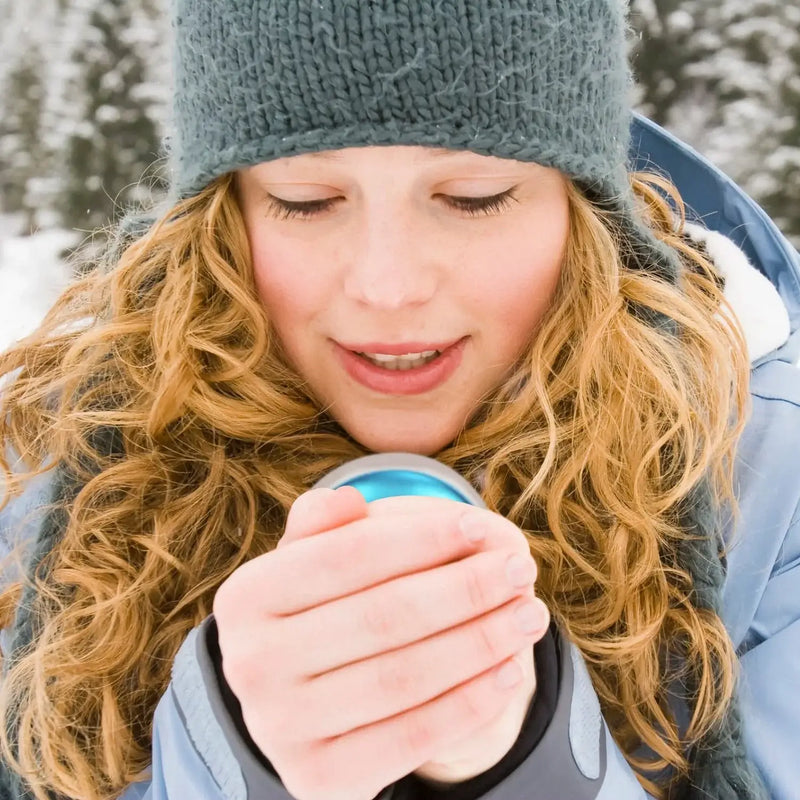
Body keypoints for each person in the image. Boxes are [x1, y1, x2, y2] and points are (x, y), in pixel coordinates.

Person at [0, 1, 798, 798]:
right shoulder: (56, 475)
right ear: (225, 214)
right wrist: (233, 757)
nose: (387, 287)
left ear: (581, 208)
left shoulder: (771, 478)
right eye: (306, 200)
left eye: (475, 196)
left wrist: (527, 761)